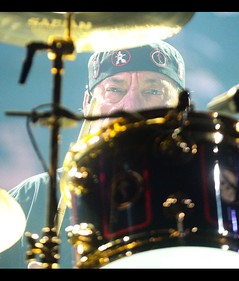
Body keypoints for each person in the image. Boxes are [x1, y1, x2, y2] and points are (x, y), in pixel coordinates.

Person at [0, 40, 186, 269]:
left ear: (182, 109)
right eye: (115, 90)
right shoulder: (33, 198)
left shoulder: (207, 201)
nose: (131, 105)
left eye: (153, 91)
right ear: (88, 104)